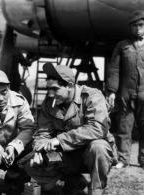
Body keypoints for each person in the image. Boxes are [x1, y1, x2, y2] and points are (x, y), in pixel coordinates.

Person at [25, 63, 117, 195]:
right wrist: (38, 149)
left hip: (90, 155)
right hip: (66, 155)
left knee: (99, 147)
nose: (50, 94)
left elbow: (98, 128)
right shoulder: (49, 103)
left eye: (55, 89)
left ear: (69, 86)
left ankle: (95, 190)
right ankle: (73, 180)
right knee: (29, 162)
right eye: (48, 89)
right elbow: (43, 132)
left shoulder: (92, 96)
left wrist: (59, 140)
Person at [106, 10, 144, 169]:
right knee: (123, 127)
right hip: (125, 94)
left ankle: (143, 160)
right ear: (130, 27)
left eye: (141, 25)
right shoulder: (123, 46)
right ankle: (123, 159)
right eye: (134, 25)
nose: (138, 28)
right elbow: (114, 69)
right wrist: (112, 91)